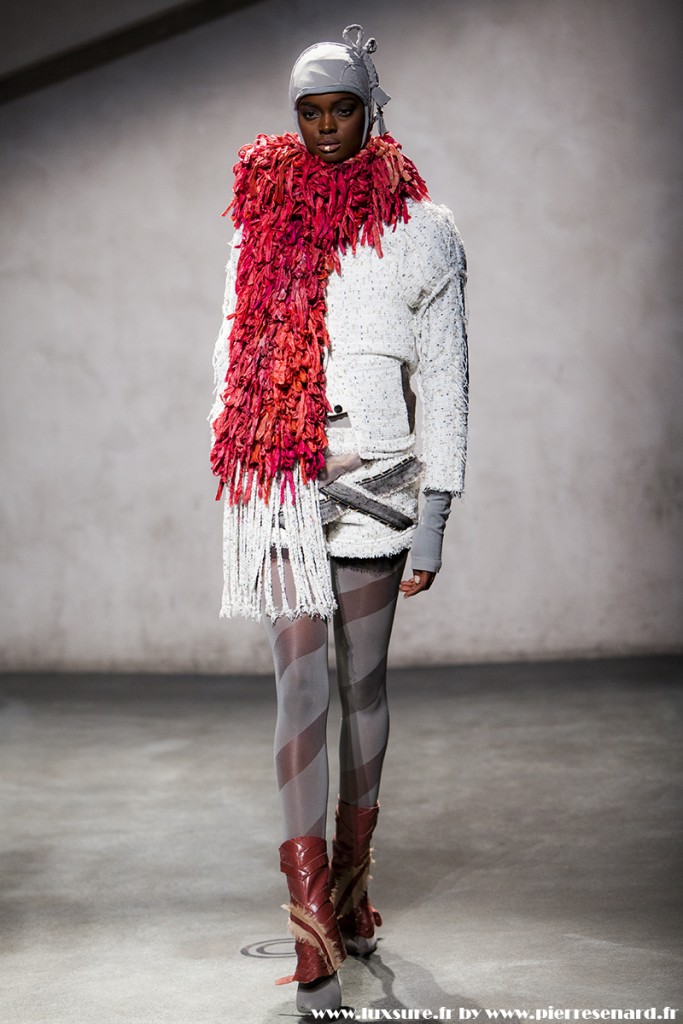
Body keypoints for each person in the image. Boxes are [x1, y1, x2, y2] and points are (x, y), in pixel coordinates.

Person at [209, 24, 468, 1016]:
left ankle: (354, 881)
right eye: (307, 111)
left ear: (371, 108)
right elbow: (229, 347)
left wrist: (434, 513)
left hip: (379, 488)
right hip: (279, 482)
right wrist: (236, 457)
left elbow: (445, 381)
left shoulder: (423, 232)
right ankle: (310, 913)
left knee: (361, 684)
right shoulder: (260, 218)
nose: (323, 127)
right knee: (299, 689)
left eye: (340, 108)